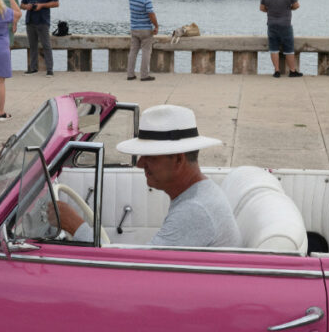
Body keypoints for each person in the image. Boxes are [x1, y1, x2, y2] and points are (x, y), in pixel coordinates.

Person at [54, 104, 243, 248]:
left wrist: (76, 227)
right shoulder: (199, 194)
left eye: (150, 157)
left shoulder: (194, 210)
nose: (139, 164)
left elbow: (135, 272)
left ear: (178, 160)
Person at [259, 0, 301, 78]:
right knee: (289, 49)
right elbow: (296, 5)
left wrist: (270, 11)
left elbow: (262, 8)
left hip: (272, 25)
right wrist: (289, 8)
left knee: (274, 48)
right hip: (286, 25)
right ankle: (292, 71)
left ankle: (277, 71)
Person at [19, 0, 59, 76]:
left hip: (43, 21)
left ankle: (49, 69)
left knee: (46, 45)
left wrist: (42, 5)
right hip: (30, 21)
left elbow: (56, 3)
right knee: (32, 46)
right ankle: (33, 68)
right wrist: (26, 6)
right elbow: (21, 5)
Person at [127, 0, 159, 81]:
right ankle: (144, 75)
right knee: (146, 51)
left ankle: (130, 74)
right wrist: (156, 26)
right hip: (145, 29)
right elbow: (151, 14)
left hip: (134, 28)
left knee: (133, 51)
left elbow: (138, 1)